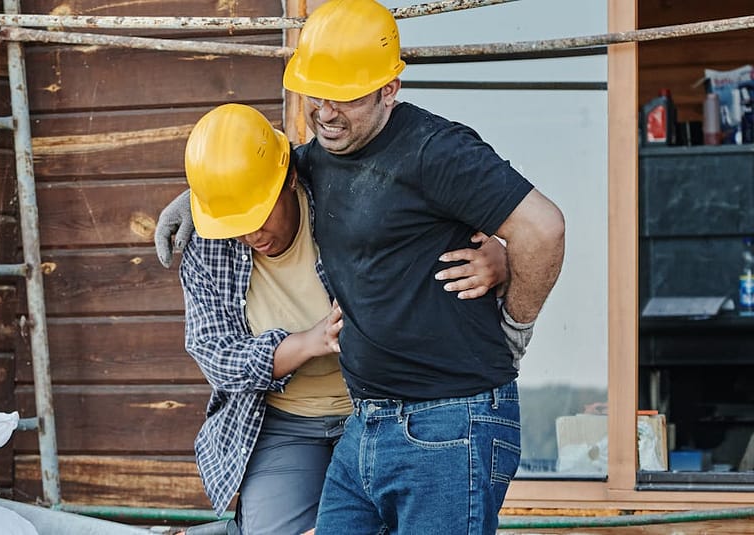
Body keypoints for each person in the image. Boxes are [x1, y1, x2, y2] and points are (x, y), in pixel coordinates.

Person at [281, 0, 566, 532]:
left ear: (390, 89)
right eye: (315, 92)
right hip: (365, 425)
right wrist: (193, 197)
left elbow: (542, 229)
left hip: (449, 422)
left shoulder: (435, 150)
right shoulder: (320, 155)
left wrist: (516, 324)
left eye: (345, 97)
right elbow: (272, 171)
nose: (324, 110)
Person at [173, 103, 513, 535]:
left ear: (290, 178)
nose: (248, 234)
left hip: (380, 408)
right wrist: (306, 343)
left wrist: (502, 254)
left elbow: (422, 215)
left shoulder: (343, 191)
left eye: (257, 215)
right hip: (284, 421)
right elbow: (217, 358)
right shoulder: (208, 246)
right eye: (231, 222)